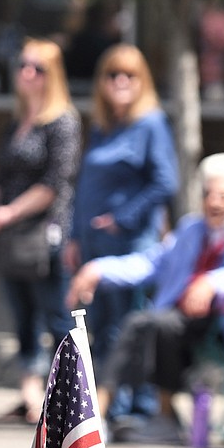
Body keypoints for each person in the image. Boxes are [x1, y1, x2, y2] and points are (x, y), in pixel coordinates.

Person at [68, 153, 224, 444]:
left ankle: (103, 409)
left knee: (150, 323)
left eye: (223, 196)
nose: (213, 202)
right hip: (176, 319)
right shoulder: (190, 228)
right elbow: (151, 263)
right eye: (208, 194)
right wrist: (98, 269)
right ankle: (124, 409)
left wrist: (211, 282)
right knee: (148, 323)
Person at [67, 43, 179, 419]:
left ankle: (131, 406)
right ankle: (106, 402)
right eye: (112, 74)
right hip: (94, 244)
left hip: (130, 243)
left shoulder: (151, 123)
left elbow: (166, 182)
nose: (120, 81)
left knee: (127, 327)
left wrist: (124, 217)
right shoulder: (104, 124)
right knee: (99, 326)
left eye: (129, 75)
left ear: (142, 81)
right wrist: (75, 236)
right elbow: (84, 186)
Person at [0, 39, 81, 423]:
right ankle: (30, 395)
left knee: (55, 318)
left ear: (51, 75)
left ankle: (64, 400)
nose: (26, 73)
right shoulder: (16, 124)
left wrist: (8, 213)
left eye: (36, 68)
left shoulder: (63, 120)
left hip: (46, 233)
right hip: (12, 237)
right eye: (22, 65)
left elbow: (57, 182)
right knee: (22, 318)